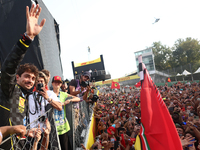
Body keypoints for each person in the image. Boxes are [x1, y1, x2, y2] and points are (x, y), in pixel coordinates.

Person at [0, 3, 46, 149]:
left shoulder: (25, 96)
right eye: (26, 76)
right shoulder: (9, 89)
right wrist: (28, 38)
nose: (30, 81)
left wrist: (28, 131)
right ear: (17, 78)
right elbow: (9, 68)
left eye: (33, 78)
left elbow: (16, 124)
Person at [52, 75, 80, 150]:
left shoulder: (63, 94)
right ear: (52, 83)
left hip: (63, 127)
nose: (57, 84)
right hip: (53, 128)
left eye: (59, 82)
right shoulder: (49, 94)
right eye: (55, 82)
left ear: (61, 84)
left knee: (65, 147)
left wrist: (70, 100)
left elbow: (78, 98)